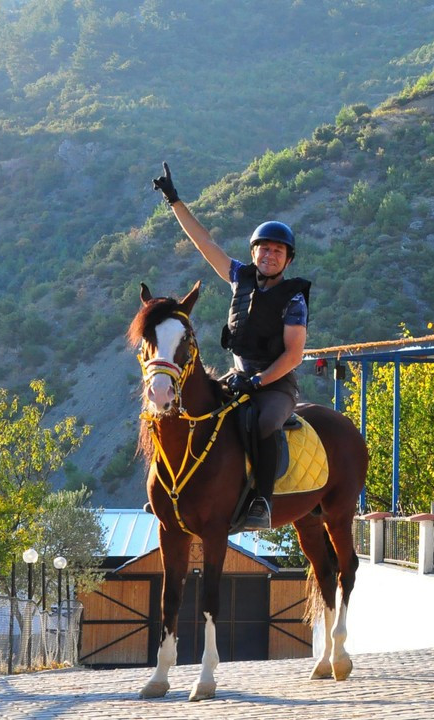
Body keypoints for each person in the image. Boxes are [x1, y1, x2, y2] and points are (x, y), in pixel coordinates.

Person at [152, 162, 311, 529]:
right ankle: (179, 492)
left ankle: (262, 501)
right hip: (237, 375)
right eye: (263, 249)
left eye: (277, 251)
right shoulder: (239, 277)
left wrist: (259, 381)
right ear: (253, 253)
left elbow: (294, 354)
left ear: (287, 259)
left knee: (261, 424)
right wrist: (175, 202)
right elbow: (205, 242)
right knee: (192, 412)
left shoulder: (293, 300)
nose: (269, 256)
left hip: (275, 383)